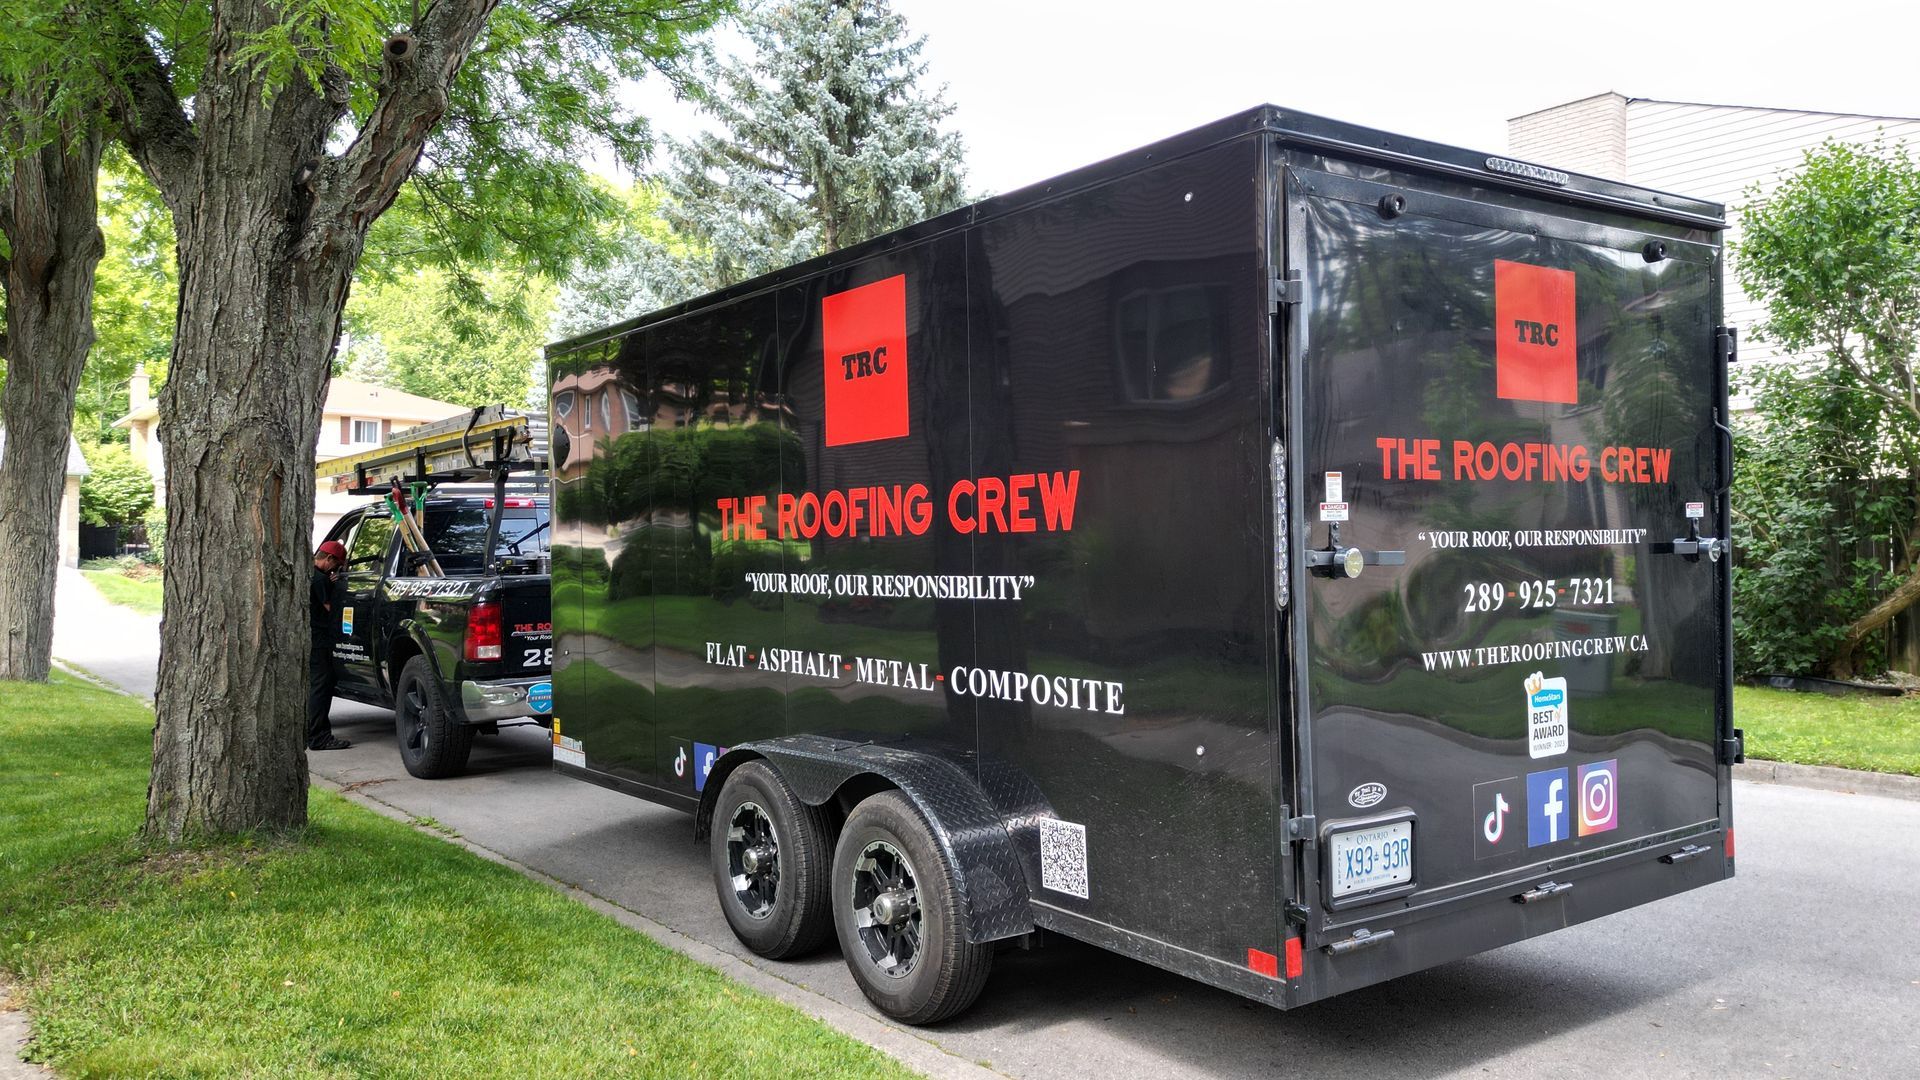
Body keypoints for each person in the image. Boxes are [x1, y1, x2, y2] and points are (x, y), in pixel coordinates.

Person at [308, 539, 352, 750]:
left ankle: (312, 733)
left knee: (315, 686)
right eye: (337, 565)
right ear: (329, 559)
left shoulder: (311, 574)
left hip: (311, 638)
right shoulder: (321, 580)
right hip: (321, 641)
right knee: (321, 688)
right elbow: (330, 609)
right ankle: (319, 737)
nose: (337, 569)